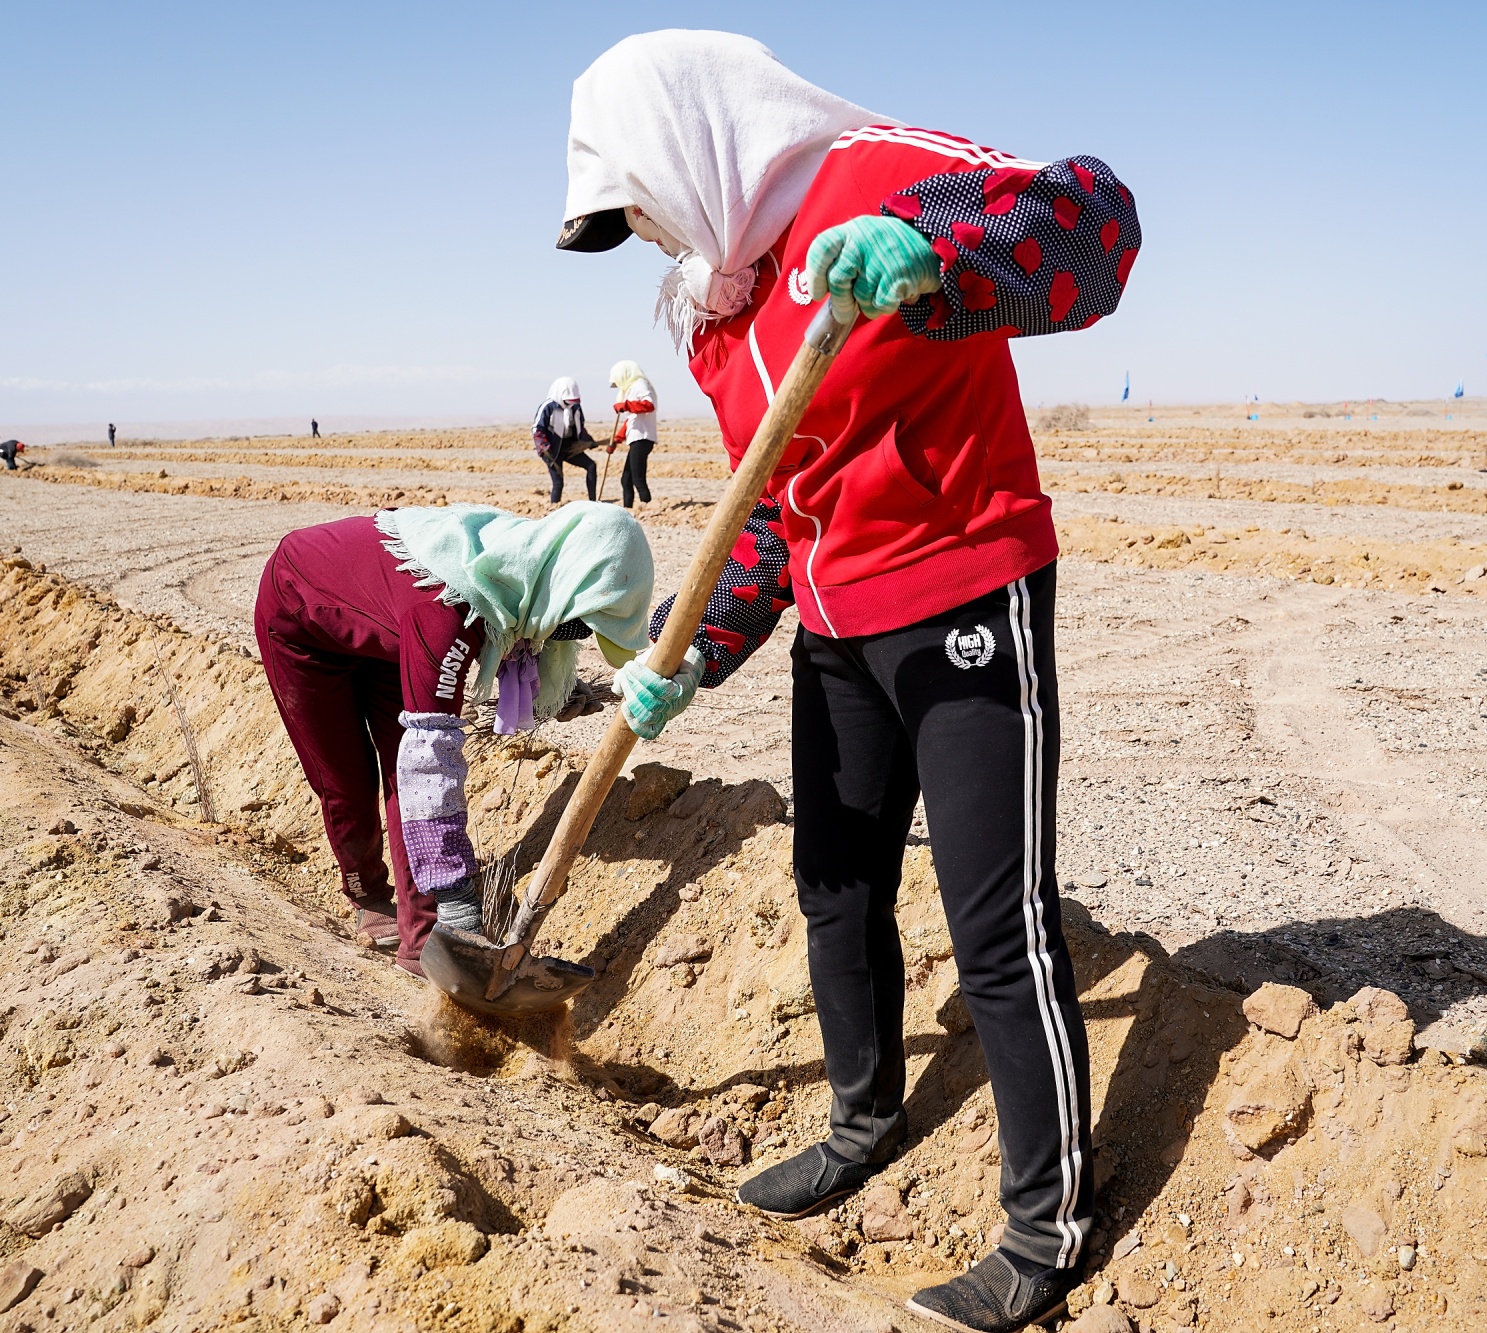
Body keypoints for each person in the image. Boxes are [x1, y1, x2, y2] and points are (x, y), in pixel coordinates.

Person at [556, 31, 1140, 1332]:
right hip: (836, 629)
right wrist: (686, 652)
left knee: (999, 929)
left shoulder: (876, 180)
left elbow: (1094, 222)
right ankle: (862, 1117)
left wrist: (933, 259)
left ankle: (1047, 1224)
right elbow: (772, 510)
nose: (655, 241)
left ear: (690, 142)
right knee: (835, 886)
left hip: (961, 589)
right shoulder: (717, 311)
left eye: (643, 208)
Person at [253, 502, 653, 973]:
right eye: (578, 620)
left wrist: (556, 690)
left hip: (389, 628)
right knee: (348, 779)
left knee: (402, 782)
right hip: (302, 620)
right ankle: (369, 892)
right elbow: (432, 764)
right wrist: (459, 900)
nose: (573, 633)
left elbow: (515, 630)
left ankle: (421, 939)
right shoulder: (449, 611)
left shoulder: (526, 565)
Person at [534, 377, 599, 503]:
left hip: (569, 447)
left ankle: (593, 502)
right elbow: (538, 430)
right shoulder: (548, 407)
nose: (571, 405)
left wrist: (589, 441)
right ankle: (554, 508)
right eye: (568, 402)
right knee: (558, 482)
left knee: (591, 466)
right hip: (552, 450)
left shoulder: (576, 408)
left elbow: (580, 428)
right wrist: (544, 447)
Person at [607, 361, 657, 508]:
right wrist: (616, 440)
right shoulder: (631, 389)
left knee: (637, 478)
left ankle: (647, 506)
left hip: (643, 437)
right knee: (626, 479)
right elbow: (631, 420)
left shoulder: (640, 385)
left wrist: (627, 405)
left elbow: (649, 405)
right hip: (636, 438)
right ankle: (627, 509)